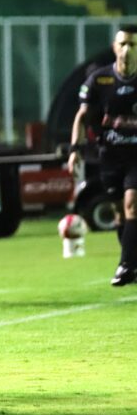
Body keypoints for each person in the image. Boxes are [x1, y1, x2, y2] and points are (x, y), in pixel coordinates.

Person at [68, 25, 137, 285]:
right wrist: (75, 150)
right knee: (120, 212)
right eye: (123, 44)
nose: (128, 50)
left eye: (133, 44)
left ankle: (126, 266)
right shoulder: (99, 80)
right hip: (109, 155)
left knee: (133, 204)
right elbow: (83, 117)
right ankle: (132, 260)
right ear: (115, 47)